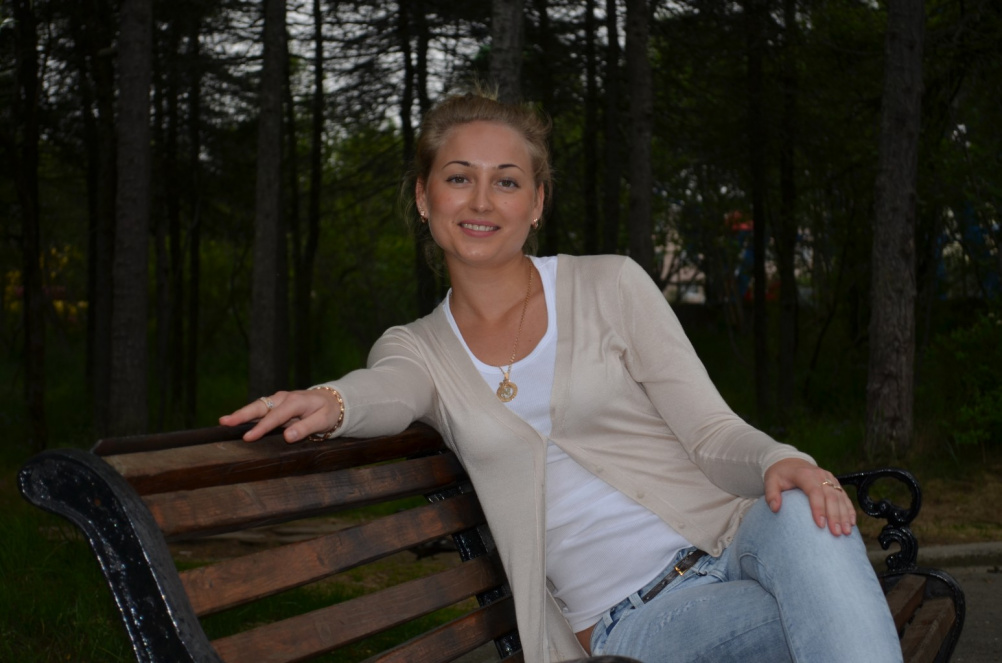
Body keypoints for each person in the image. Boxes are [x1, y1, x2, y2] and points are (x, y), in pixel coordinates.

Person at [221, 91, 902, 663]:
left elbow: (711, 431)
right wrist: (334, 399)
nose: (482, 200)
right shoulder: (419, 349)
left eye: (507, 180)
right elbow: (388, 388)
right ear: (424, 198)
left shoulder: (611, 285)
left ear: (537, 202)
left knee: (808, 511)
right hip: (631, 625)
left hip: (734, 541)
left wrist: (779, 459)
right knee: (821, 617)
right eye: (458, 178)